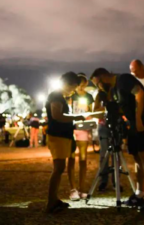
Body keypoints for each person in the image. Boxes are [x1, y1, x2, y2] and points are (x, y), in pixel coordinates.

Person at [90, 68, 144, 212]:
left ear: (103, 76)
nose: (99, 87)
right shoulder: (114, 90)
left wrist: (139, 119)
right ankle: (140, 193)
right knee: (137, 157)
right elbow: (123, 107)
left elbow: (139, 94)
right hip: (133, 121)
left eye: (98, 83)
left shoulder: (123, 79)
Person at [45, 72, 88, 214]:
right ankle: (51, 201)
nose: (73, 90)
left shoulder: (59, 96)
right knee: (58, 168)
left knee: (60, 167)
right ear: (67, 84)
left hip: (62, 136)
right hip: (57, 136)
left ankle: (54, 200)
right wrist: (76, 117)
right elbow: (57, 116)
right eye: (73, 87)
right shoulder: (56, 96)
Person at [67, 73, 94, 201]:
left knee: (83, 159)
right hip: (72, 128)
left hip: (83, 127)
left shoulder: (89, 97)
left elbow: (91, 111)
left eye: (83, 82)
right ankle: (73, 189)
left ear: (86, 83)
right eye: (79, 83)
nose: (81, 85)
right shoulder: (71, 95)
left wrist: (89, 116)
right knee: (71, 158)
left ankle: (82, 188)